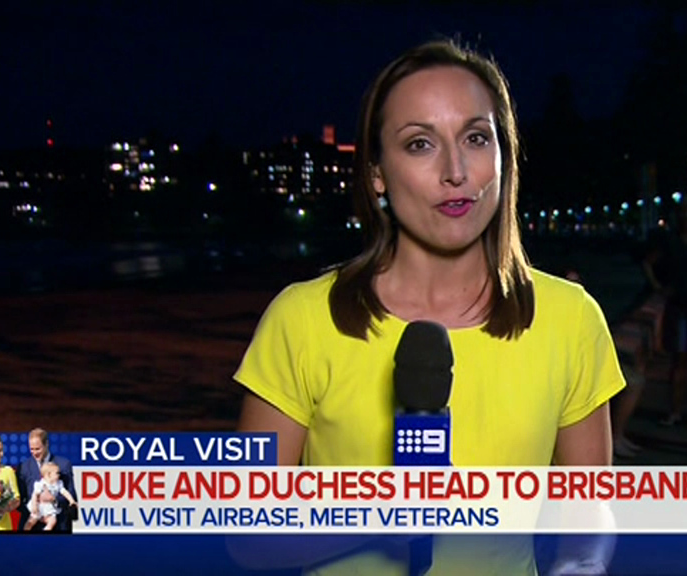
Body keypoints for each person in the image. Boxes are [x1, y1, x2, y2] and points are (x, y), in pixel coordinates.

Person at [232, 39, 625, 575]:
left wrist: (584, 563)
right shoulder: (301, 319)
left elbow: (590, 508)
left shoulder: (570, 318)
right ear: (376, 172)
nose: (455, 170)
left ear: (503, 156)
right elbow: (247, 537)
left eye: (476, 138)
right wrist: (386, 510)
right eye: (420, 144)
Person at [641, 195, 687, 426]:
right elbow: (648, 262)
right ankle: (675, 409)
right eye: (684, 211)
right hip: (680, 306)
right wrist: (658, 287)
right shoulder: (671, 241)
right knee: (680, 360)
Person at [17, 428, 77, 532]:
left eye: (38, 449)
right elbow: (19, 499)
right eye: (32, 449)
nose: (34, 453)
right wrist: (35, 511)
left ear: (46, 444)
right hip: (33, 526)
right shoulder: (24, 467)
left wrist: (53, 500)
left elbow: (71, 495)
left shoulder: (63, 465)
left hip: (58, 526)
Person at [24, 461, 78, 531]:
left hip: (50, 508)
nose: (59, 475)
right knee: (31, 521)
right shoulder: (41, 484)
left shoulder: (59, 484)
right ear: (49, 474)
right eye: (57, 473)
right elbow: (34, 495)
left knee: (52, 521)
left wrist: (72, 501)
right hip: (39, 507)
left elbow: (65, 492)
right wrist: (34, 506)